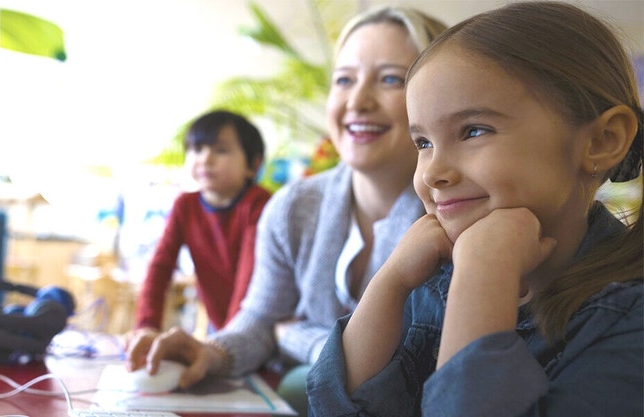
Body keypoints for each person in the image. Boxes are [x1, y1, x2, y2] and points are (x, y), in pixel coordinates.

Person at [307, 2, 644, 416]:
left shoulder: (628, 318)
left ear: (602, 141)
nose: (433, 174)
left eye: (473, 131)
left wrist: (484, 277)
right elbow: (335, 408)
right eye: (423, 144)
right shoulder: (434, 281)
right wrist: (390, 282)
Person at [125, 7, 448, 417]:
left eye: (389, 79)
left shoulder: (454, 213)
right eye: (344, 79)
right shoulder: (294, 206)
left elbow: (408, 360)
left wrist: (299, 337)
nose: (358, 101)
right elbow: (261, 318)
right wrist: (209, 352)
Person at [131, 110, 271, 336]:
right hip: (220, 323)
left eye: (221, 150)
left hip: (261, 326)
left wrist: (230, 340)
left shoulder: (259, 205)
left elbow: (250, 276)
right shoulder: (185, 206)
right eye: (197, 149)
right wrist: (146, 326)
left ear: (253, 165)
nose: (205, 158)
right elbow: (160, 266)